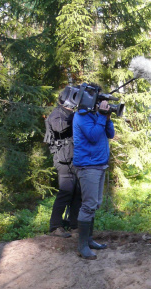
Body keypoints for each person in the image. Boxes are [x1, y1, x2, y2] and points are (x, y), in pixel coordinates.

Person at [73, 90, 115, 260]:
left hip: (99, 164)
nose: (103, 104)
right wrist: (102, 116)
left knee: (95, 204)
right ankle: (82, 246)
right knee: (88, 204)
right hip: (88, 166)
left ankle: (89, 240)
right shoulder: (81, 116)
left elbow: (110, 134)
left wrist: (107, 117)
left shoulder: (96, 116)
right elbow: (92, 136)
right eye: (101, 101)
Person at [44, 87, 82, 238]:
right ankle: (55, 227)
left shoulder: (70, 114)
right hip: (63, 159)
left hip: (73, 158)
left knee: (77, 193)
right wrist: (77, 115)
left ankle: (74, 226)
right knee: (65, 192)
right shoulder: (56, 115)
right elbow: (60, 127)